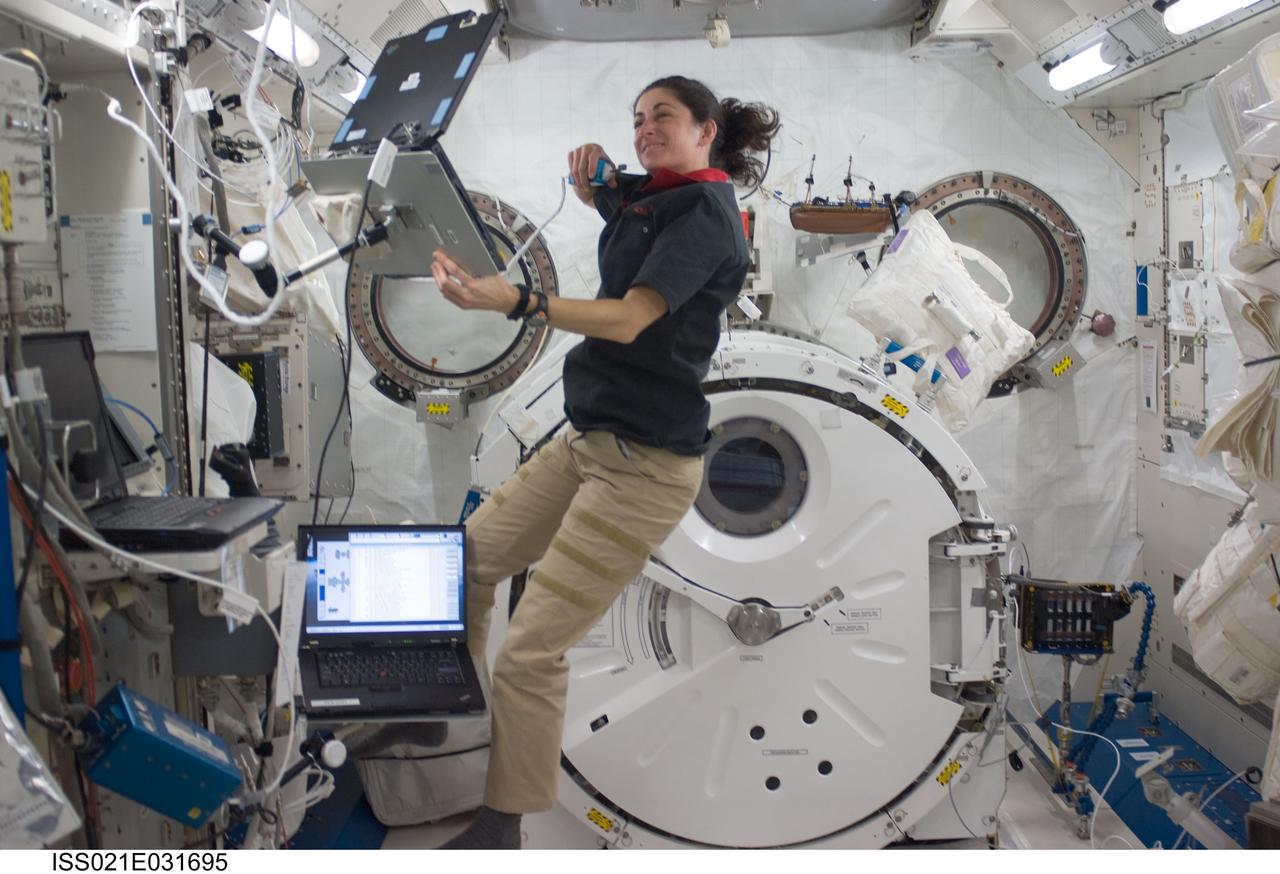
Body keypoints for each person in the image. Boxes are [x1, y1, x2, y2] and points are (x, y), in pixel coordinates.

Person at [429, 75, 780, 850]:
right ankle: (451, 735)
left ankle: (501, 824)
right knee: (465, 566)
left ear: (706, 131)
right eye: (635, 119)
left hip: (645, 469)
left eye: (663, 117)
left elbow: (626, 321)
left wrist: (516, 301)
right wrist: (591, 176)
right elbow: (615, 198)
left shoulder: (710, 218)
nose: (644, 129)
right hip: (589, 440)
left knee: (530, 648)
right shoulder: (656, 192)